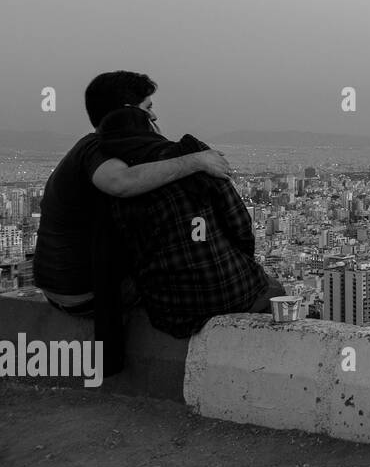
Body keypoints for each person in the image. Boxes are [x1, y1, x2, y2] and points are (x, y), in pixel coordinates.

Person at [33, 72, 233, 316]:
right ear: (129, 112)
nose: (154, 116)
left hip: (66, 287)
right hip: (85, 292)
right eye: (148, 107)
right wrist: (196, 161)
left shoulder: (94, 148)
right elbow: (120, 182)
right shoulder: (97, 148)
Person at [95, 105, 280, 339]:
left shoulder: (118, 186)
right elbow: (240, 223)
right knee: (276, 292)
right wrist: (239, 265)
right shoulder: (194, 154)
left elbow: (134, 251)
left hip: (173, 309)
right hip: (232, 289)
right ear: (149, 128)